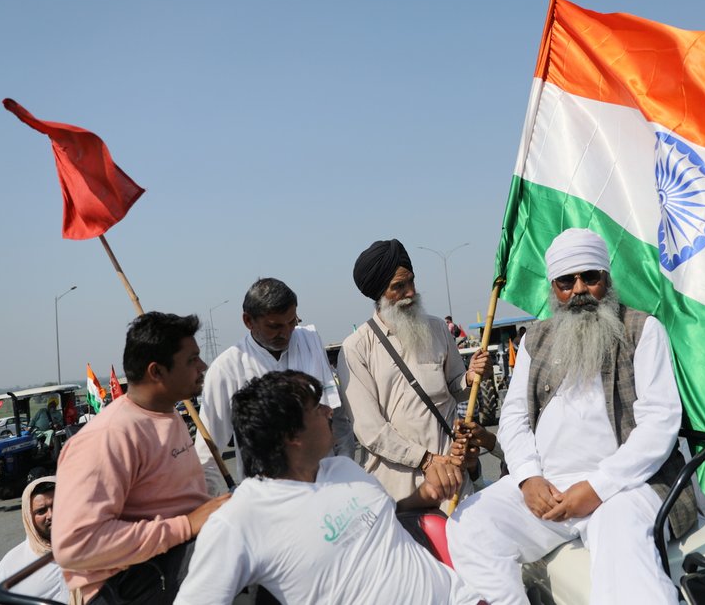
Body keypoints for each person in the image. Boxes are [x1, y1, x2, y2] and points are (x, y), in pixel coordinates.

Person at [447, 228, 695, 605]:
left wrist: (596, 487)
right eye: (566, 281)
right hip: (549, 489)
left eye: (589, 277)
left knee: (624, 554)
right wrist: (528, 478)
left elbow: (660, 423)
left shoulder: (642, 330)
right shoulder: (536, 339)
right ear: (554, 288)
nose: (578, 289)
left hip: (625, 488)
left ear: (606, 280)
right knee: (470, 524)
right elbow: (513, 418)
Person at [175, 370, 484, 604]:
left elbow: (384, 518)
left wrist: (426, 494)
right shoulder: (240, 519)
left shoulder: (344, 469)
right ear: (291, 435)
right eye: (316, 408)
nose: (329, 411)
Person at [53, 312, 229, 604]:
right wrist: (186, 525)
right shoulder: (109, 436)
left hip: (179, 554)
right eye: (192, 360)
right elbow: (75, 545)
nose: (203, 366)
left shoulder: (168, 413)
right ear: (156, 372)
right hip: (131, 582)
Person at [338, 239, 491, 503]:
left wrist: (471, 375)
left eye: (411, 282)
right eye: (398, 287)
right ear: (379, 294)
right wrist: (425, 460)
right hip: (400, 487)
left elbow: (455, 388)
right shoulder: (356, 348)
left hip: (454, 475)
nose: (410, 292)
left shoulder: (437, 328)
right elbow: (370, 430)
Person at [196, 278, 354, 495]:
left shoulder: (309, 342)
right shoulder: (226, 369)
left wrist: (345, 471)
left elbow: (337, 420)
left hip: (327, 486)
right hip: (268, 498)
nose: (286, 332)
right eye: (275, 326)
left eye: (292, 322)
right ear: (248, 321)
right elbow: (208, 456)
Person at [0, 477, 68, 602]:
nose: (51, 515)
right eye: (41, 511)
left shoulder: (94, 545)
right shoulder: (11, 566)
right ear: (29, 517)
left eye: (56, 505)